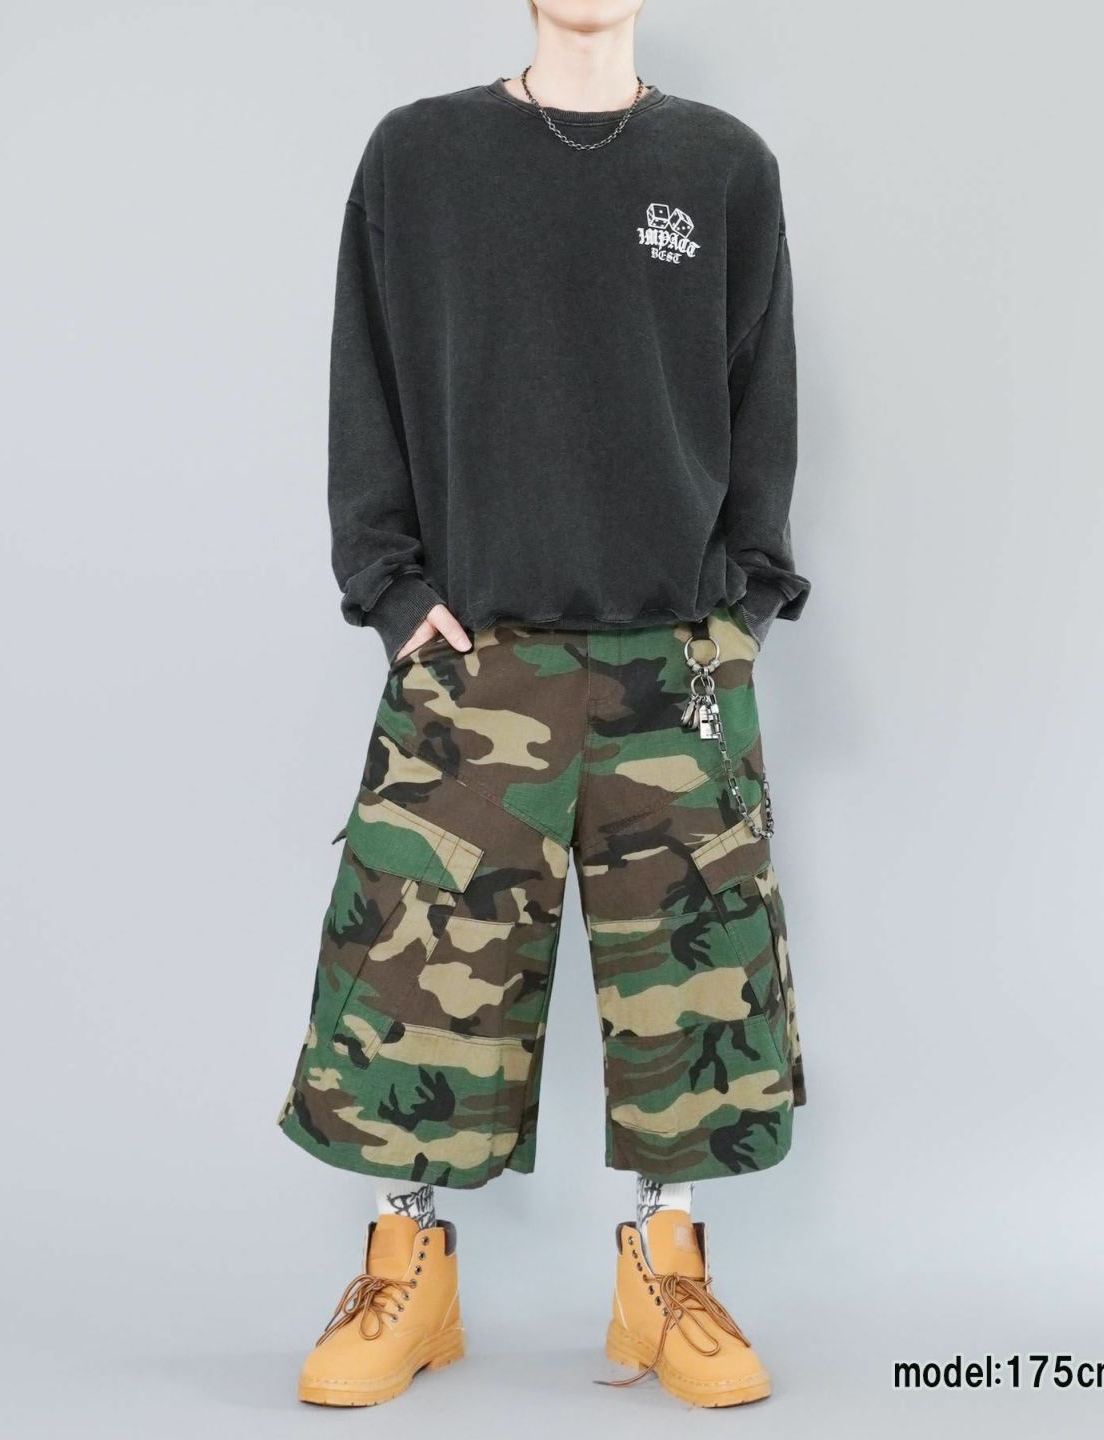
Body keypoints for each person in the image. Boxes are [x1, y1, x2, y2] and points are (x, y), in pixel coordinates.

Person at [278, 0, 810, 1409]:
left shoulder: (726, 167)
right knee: (410, 992)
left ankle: (664, 1277)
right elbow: (364, 382)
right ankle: (410, 1273)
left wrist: (742, 610)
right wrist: (389, 589)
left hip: (673, 666)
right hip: (476, 663)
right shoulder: (419, 159)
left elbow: (762, 404)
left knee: (696, 1004)